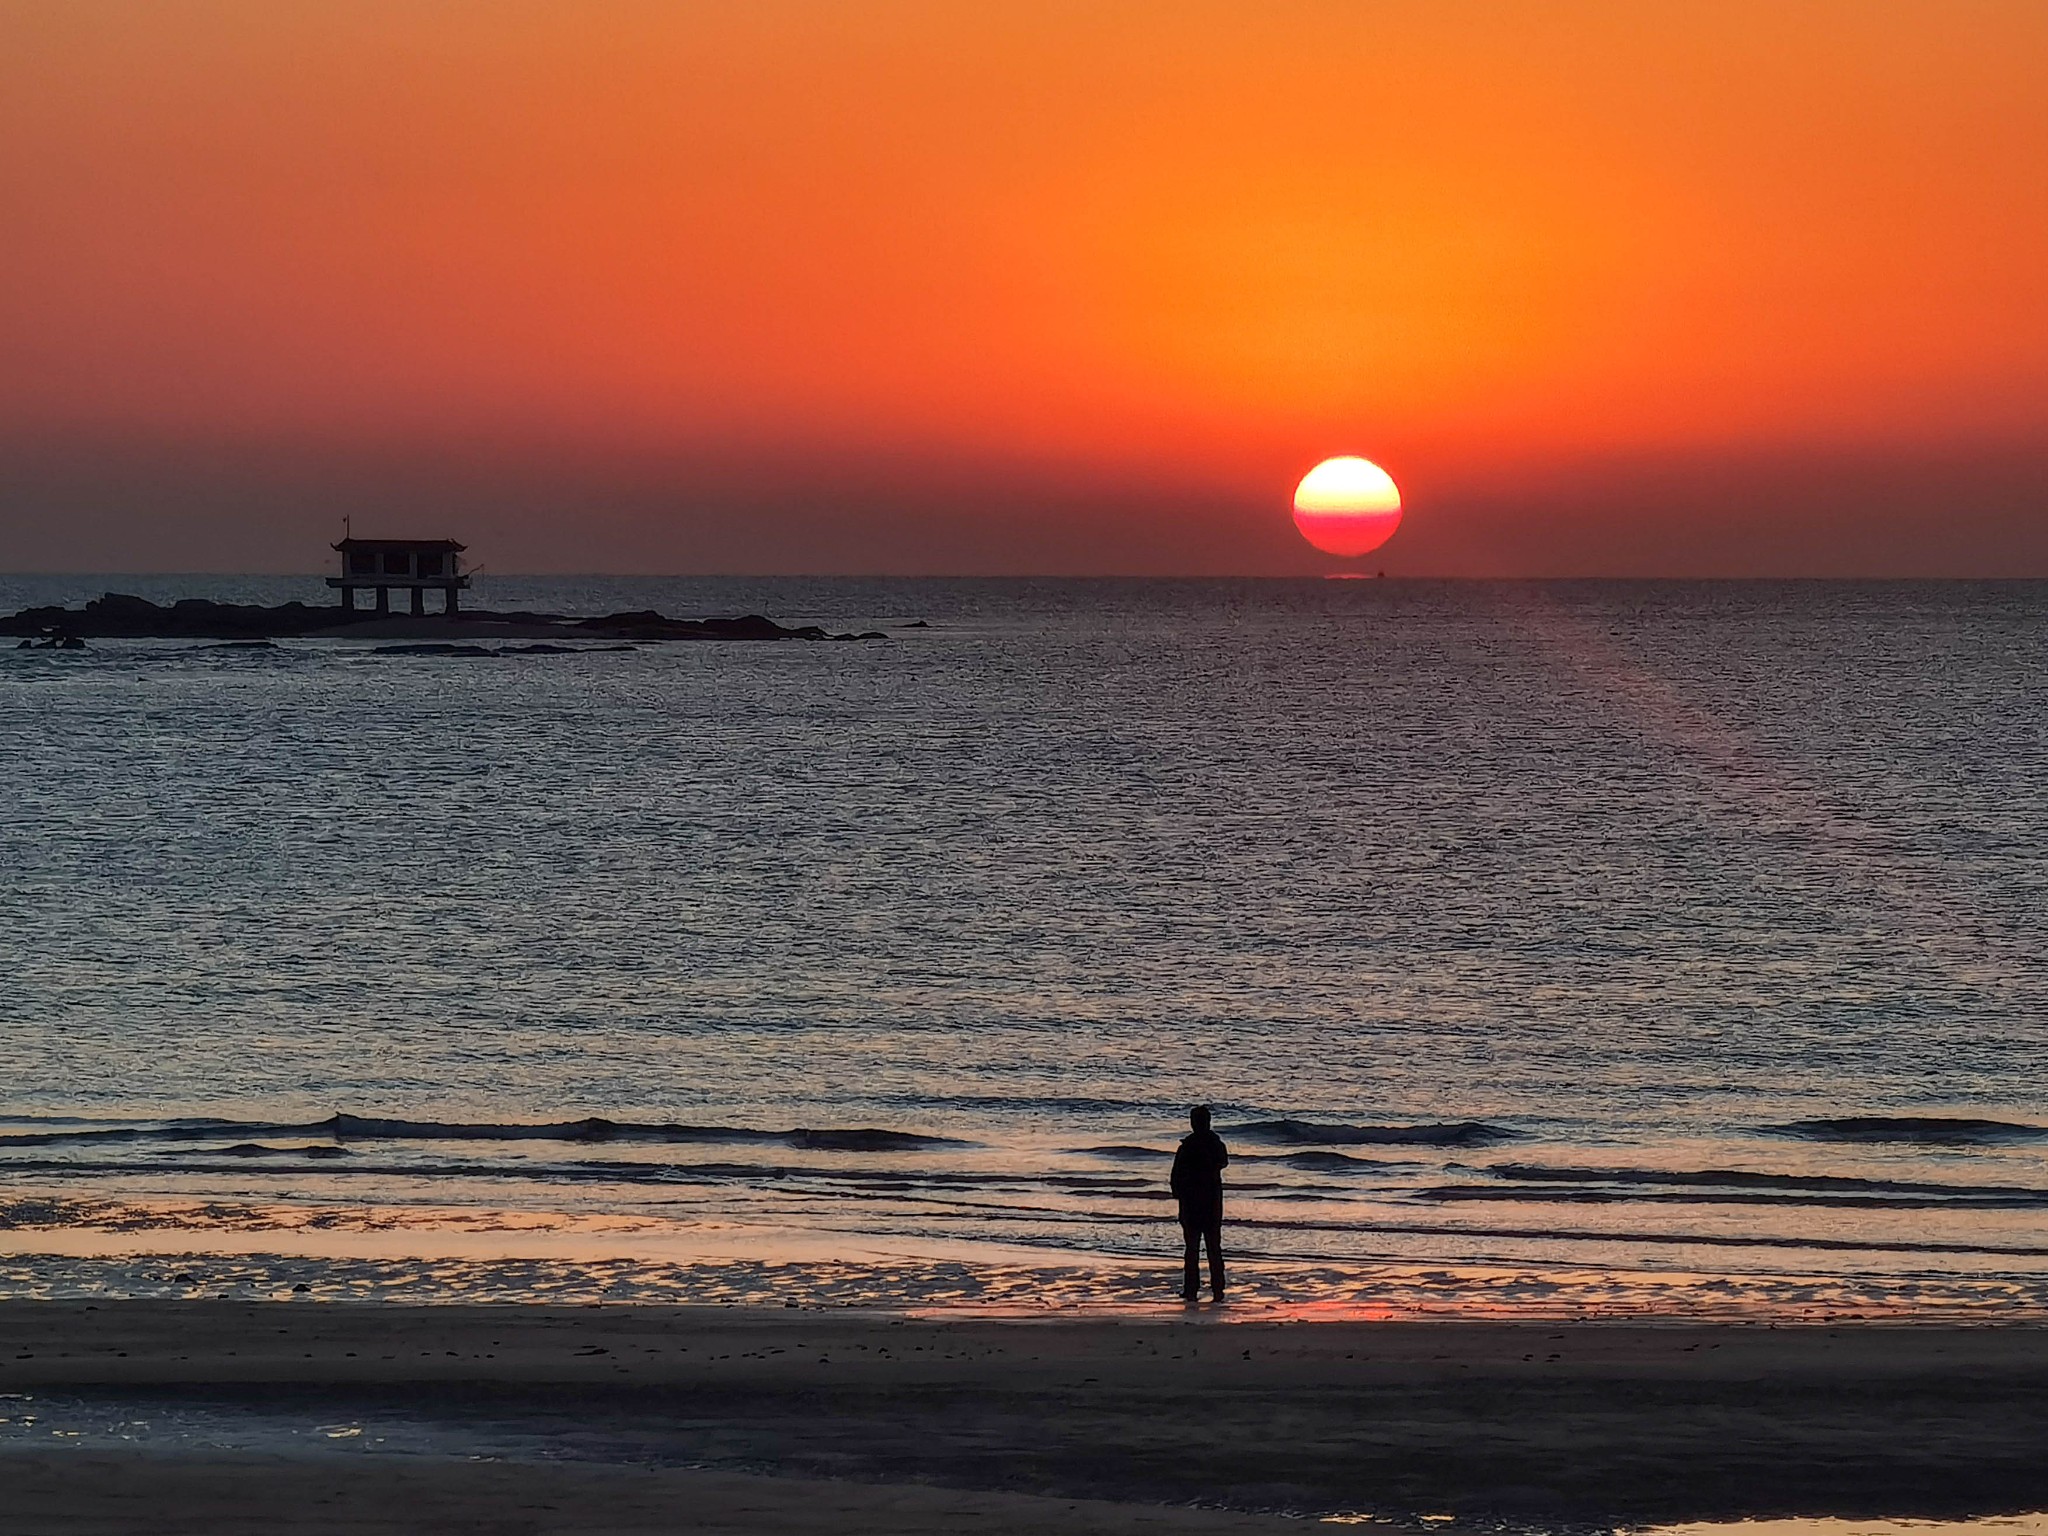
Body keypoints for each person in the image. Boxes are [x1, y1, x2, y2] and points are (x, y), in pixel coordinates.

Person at [1170, 1105, 1228, 1301]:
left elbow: (1175, 1177)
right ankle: (1216, 1290)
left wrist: (1178, 1194)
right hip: (1210, 1204)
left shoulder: (1188, 1146)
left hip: (1194, 1204)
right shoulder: (1214, 1144)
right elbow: (1223, 1162)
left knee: (1194, 1249)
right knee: (1212, 1248)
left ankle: (1193, 1290)